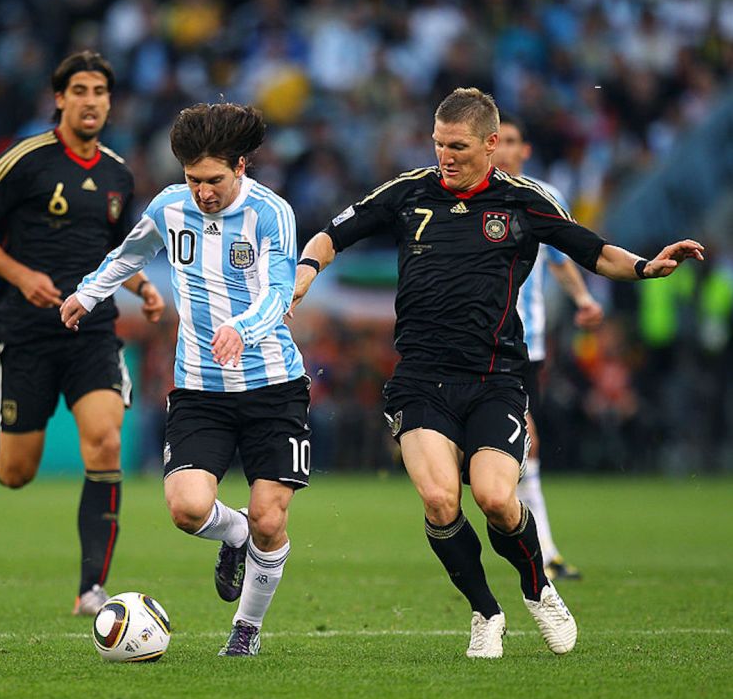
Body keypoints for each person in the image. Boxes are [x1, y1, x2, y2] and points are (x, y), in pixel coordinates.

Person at [292, 87, 702, 659]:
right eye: (438, 144)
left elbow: (593, 250)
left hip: (494, 381)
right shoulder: (408, 193)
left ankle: (537, 587)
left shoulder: (524, 201)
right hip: (421, 380)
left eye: (457, 146)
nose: (445, 156)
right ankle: (486, 612)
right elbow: (331, 234)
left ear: (490, 144)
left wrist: (647, 267)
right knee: (439, 500)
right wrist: (307, 269)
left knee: (494, 499)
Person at [62, 102, 310, 657]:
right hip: (200, 389)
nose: (202, 191)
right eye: (193, 179)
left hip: (273, 386)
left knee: (272, 517)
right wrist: (87, 293)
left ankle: (245, 632)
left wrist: (242, 329)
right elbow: (130, 255)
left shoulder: (273, 213)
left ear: (241, 166)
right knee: (187, 509)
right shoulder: (170, 208)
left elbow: (279, 291)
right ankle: (236, 535)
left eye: (214, 180)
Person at [0, 51, 165, 617]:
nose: (91, 99)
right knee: (18, 472)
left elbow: (118, 249)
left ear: (109, 101)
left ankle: (91, 588)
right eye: (80, 90)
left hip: (91, 330)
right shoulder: (25, 160)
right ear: (60, 99)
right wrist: (22, 277)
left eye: (100, 90)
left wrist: (140, 286)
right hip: (25, 333)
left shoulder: (118, 174)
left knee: (106, 440)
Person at [495, 112, 604, 580]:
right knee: (523, 442)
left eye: (513, 141)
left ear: (526, 150)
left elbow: (562, 256)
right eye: (499, 140)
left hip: (525, 342)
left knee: (526, 443)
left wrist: (582, 298)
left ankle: (539, 546)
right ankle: (539, 547)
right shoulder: (459, 198)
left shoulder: (543, 198)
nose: (505, 150)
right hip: (474, 340)